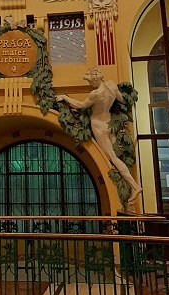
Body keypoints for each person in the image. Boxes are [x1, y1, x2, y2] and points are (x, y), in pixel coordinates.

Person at [56, 68, 142, 212]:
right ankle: (132, 189)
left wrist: (65, 97)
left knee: (112, 158)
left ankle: (134, 186)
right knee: (116, 155)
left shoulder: (95, 94)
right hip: (109, 121)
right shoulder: (112, 85)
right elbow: (122, 101)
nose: (89, 83)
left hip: (98, 124)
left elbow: (81, 106)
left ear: (94, 79)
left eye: (89, 80)